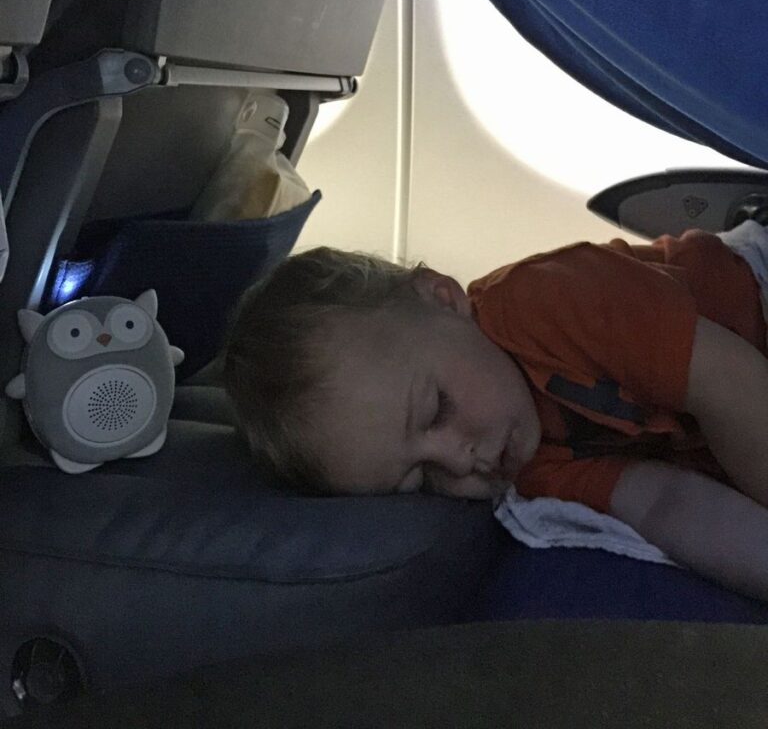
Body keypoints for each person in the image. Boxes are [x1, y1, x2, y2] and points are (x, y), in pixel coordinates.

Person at [223, 221, 768, 601]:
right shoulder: (530, 470)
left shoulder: (548, 304)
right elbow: (666, 504)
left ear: (444, 299)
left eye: (436, 411)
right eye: (423, 477)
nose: (459, 462)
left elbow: (729, 382)